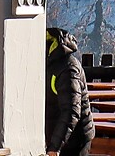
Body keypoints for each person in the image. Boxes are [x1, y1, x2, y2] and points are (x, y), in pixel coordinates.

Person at [46, 28, 93, 156]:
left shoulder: (67, 69)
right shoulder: (47, 64)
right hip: (57, 135)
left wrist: (54, 147)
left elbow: (71, 111)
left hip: (74, 140)